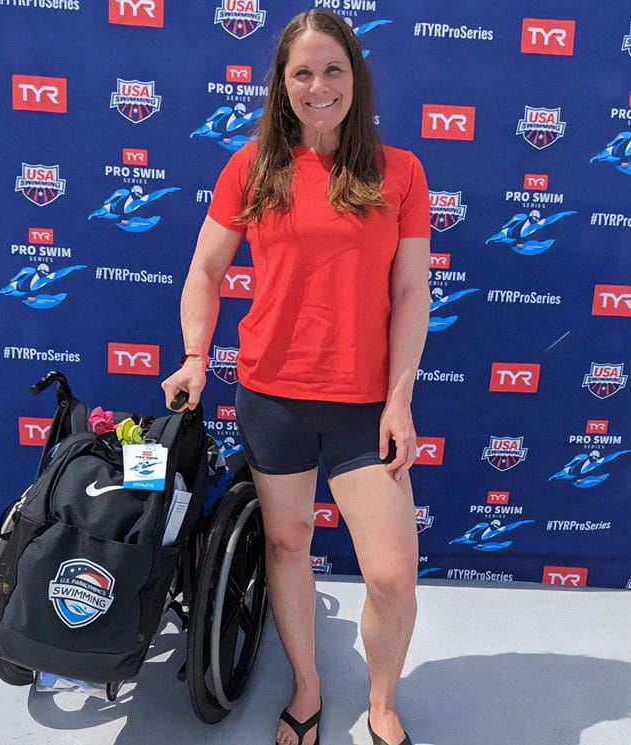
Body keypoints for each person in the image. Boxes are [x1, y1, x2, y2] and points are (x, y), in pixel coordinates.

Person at [162, 9, 431, 745]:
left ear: (356, 77)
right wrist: (195, 355)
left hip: (364, 404)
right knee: (286, 545)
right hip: (272, 396)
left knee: (391, 575)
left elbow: (412, 294)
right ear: (282, 85)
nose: (319, 85)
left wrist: (399, 400)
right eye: (302, 72)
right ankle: (307, 687)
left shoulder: (400, 171)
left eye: (333, 69)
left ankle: (381, 701)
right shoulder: (250, 167)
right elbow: (205, 271)